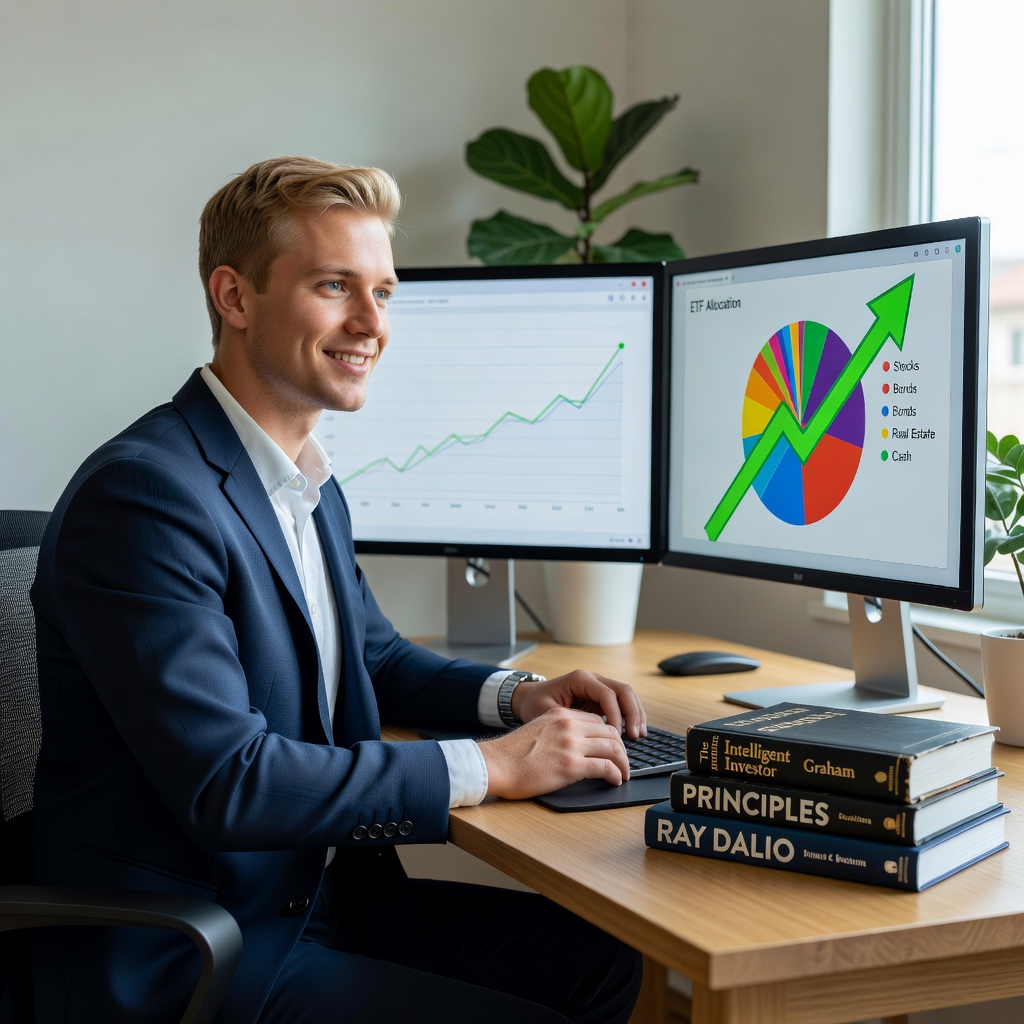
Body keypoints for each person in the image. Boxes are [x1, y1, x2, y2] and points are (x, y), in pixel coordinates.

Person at [29, 155, 647, 1023]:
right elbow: (231, 781)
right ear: (235, 298)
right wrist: (489, 768)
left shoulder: (301, 480)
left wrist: (519, 699)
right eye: (335, 286)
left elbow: (373, 656)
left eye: (384, 293)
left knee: (603, 962)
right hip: (197, 947)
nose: (371, 323)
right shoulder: (145, 496)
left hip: (317, 902)